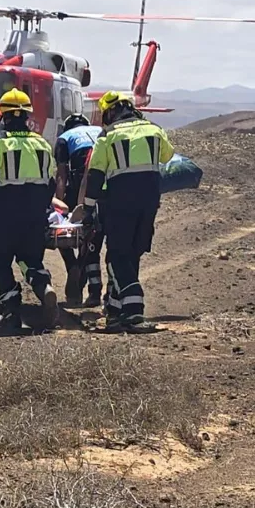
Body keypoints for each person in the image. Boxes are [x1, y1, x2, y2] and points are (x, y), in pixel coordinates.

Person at [83, 91, 174, 332]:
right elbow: (167, 155)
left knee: (117, 256)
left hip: (119, 203)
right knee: (133, 253)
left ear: (111, 111)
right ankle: (115, 311)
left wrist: (88, 209)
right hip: (149, 203)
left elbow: (95, 176)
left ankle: (133, 310)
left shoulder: (108, 135)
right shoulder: (154, 129)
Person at [0, 88, 59, 330]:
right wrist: (43, 207)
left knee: (0, 259)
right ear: (27, 116)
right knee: (30, 258)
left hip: (6, 211)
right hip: (35, 213)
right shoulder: (42, 144)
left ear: (3, 116)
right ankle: (43, 286)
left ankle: (11, 311)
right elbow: (52, 181)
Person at [54, 113, 103, 306]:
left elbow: (61, 175)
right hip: (104, 187)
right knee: (92, 239)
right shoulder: (101, 131)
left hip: (78, 188)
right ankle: (92, 288)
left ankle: (72, 265)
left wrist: (59, 206)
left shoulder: (64, 138)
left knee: (63, 230)